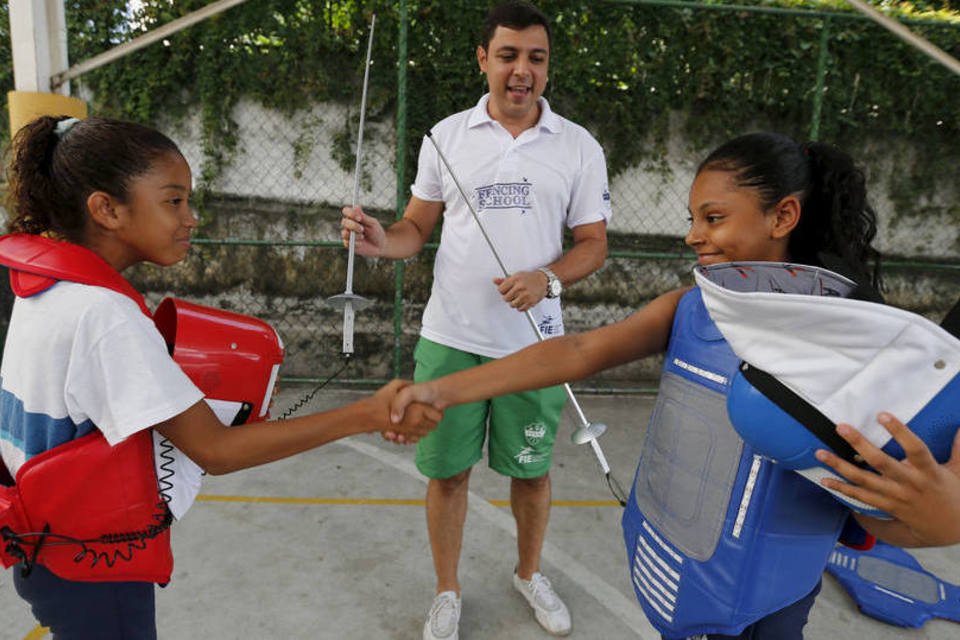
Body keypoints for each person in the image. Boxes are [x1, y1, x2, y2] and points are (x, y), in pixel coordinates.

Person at [389, 131, 960, 639]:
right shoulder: (693, 309)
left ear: (782, 217)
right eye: (693, 219)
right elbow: (579, 349)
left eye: (712, 218)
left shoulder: (860, 344)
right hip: (684, 577)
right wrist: (445, 390)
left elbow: (878, 504)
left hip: (775, 595)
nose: (692, 236)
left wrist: (942, 518)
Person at [0, 115, 441, 640]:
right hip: (97, 567)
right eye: (173, 201)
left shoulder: (41, 284)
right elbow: (217, 450)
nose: (191, 218)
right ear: (107, 209)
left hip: (45, 553)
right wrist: (364, 414)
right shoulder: (106, 317)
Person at [340, 2, 611, 637]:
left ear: (547, 67)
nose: (523, 71)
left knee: (533, 471)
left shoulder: (578, 147)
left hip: (534, 347)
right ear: (484, 59)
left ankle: (527, 572)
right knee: (448, 473)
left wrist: (547, 278)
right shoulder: (445, 136)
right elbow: (415, 230)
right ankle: (448, 590)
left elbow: (593, 244)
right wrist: (382, 240)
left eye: (536, 58)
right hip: (451, 338)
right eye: (509, 55)